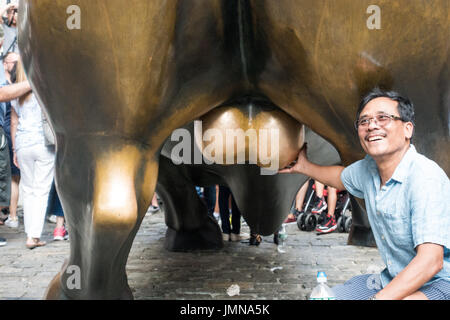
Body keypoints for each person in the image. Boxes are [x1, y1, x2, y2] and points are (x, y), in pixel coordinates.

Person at [280, 88, 450, 300]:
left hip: (441, 282)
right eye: (364, 121)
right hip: (393, 278)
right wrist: (304, 167)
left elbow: (431, 261)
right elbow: (341, 177)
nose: (372, 126)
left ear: (408, 129)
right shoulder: (369, 169)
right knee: (326, 297)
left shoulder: (425, 178)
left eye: (383, 118)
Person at [11, 59, 55, 249]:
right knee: (41, 189)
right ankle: (34, 236)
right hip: (43, 143)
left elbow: (14, 122)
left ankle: (31, 233)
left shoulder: (15, 92)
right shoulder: (44, 89)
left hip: (22, 143)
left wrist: (15, 149)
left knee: (27, 190)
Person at [1, 52, 20, 229]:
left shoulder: (16, 81)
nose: (16, 65)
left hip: (12, 133)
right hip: (6, 131)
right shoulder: (4, 81)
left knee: (13, 177)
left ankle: (11, 215)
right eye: (14, 62)